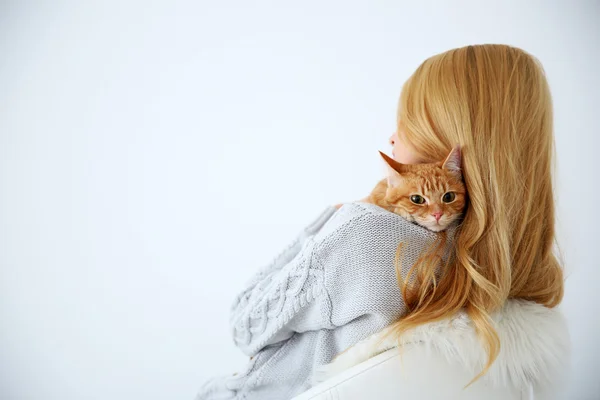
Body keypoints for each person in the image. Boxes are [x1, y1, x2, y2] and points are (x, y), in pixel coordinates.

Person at [196, 44, 569, 400]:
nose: (392, 136)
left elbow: (245, 325)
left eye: (406, 122)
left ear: (443, 133)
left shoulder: (369, 234)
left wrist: (334, 218)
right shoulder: (498, 270)